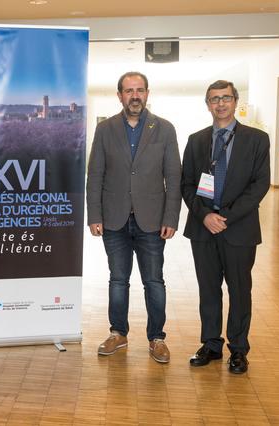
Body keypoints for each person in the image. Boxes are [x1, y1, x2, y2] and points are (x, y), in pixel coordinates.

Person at [86, 71, 181, 363]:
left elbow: (173, 177)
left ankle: (157, 338)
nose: (135, 96)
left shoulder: (164, 129)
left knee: (154, 281)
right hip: (114, 219)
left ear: (147, 94)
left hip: (152, 220)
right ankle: (118, 333)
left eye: (140, 90)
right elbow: (95, 174)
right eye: (129, 91)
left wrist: (171, 218)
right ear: (120, 96)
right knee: (118, 280)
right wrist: (94, 215)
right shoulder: (105, 129)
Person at [182, 80, 270, 374]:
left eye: (225, 98)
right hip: (203, 228)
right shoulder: (196, 140)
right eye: (214, 99)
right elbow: (187, 184)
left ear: (235, 101)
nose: (220, 104)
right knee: (208, 289)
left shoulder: (257, 140)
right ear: (207, 104)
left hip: (239, 229)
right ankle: (211, 344)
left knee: (240, 290)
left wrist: (226, 217)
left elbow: (259, 185)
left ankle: (239, 350)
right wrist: (205, 215)